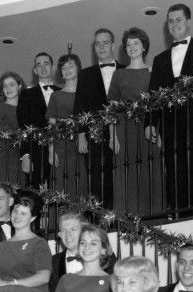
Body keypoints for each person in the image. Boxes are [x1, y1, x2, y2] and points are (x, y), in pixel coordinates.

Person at [145, 4, 193, 215]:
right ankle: (179, 215)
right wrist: (151, 122)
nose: (174, 24)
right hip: (170, 124)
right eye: (170, 21)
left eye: (178, 20)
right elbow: (153, 94)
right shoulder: (159, 59)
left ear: (188, 22)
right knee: (173, 169)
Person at [108, 28, 162, 215]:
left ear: (144, 46)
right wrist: (112, 135)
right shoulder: (119, 74)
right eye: (128, 44)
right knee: (127, 170)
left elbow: (158, 107)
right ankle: (127, 216)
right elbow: (113, 109)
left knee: (151, 168)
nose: (131, 47)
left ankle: (153, 215)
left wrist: (159, 130)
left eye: (136, 43)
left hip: (149, 127)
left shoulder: (153, 71)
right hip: (125, 128)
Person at [74, 29, 124, 208]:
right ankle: (101, 218)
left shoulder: (125, 70)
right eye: (97, 43)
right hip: (94, 133)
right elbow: (79, 105)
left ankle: (120, 215)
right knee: (97, 175)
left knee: (120, 173)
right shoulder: (85, 74)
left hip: (122, 130)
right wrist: (80, 134)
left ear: (113, 45)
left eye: (105, 42)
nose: (101, 46)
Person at [17, 52, 61, 188]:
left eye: (46, 63)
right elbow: (23, 125)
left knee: (61, 189)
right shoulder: (26, 94)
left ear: (52, 67)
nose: (43, 68)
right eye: (38, 65)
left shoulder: (62, 92)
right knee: (35, 193)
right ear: (35, 70)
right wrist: (25, 155)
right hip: (36, 150)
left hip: (61, 149)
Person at [49, 212, 116, 292]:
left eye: (73, 229)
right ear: (59, 235)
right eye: (63, 230)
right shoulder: (52, 262)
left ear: (83, 232)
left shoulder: (107, 257)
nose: (68, 234)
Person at [46, 54, 85, 198]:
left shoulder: (86, 93)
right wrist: (51, 149)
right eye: (64, 67)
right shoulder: (56, 96)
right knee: (61, 186)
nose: (67, 69)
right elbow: (52, 124)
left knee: (81, 184)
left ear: (78, 68)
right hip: (61, 147)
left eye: (71, 66)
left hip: (82, 146)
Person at [0, 72, 27, 182]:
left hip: (21, 155)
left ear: (19, 86)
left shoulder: (26, 109)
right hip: (1, 155)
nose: (8, 88)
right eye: (5, 86)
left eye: (11, 84)